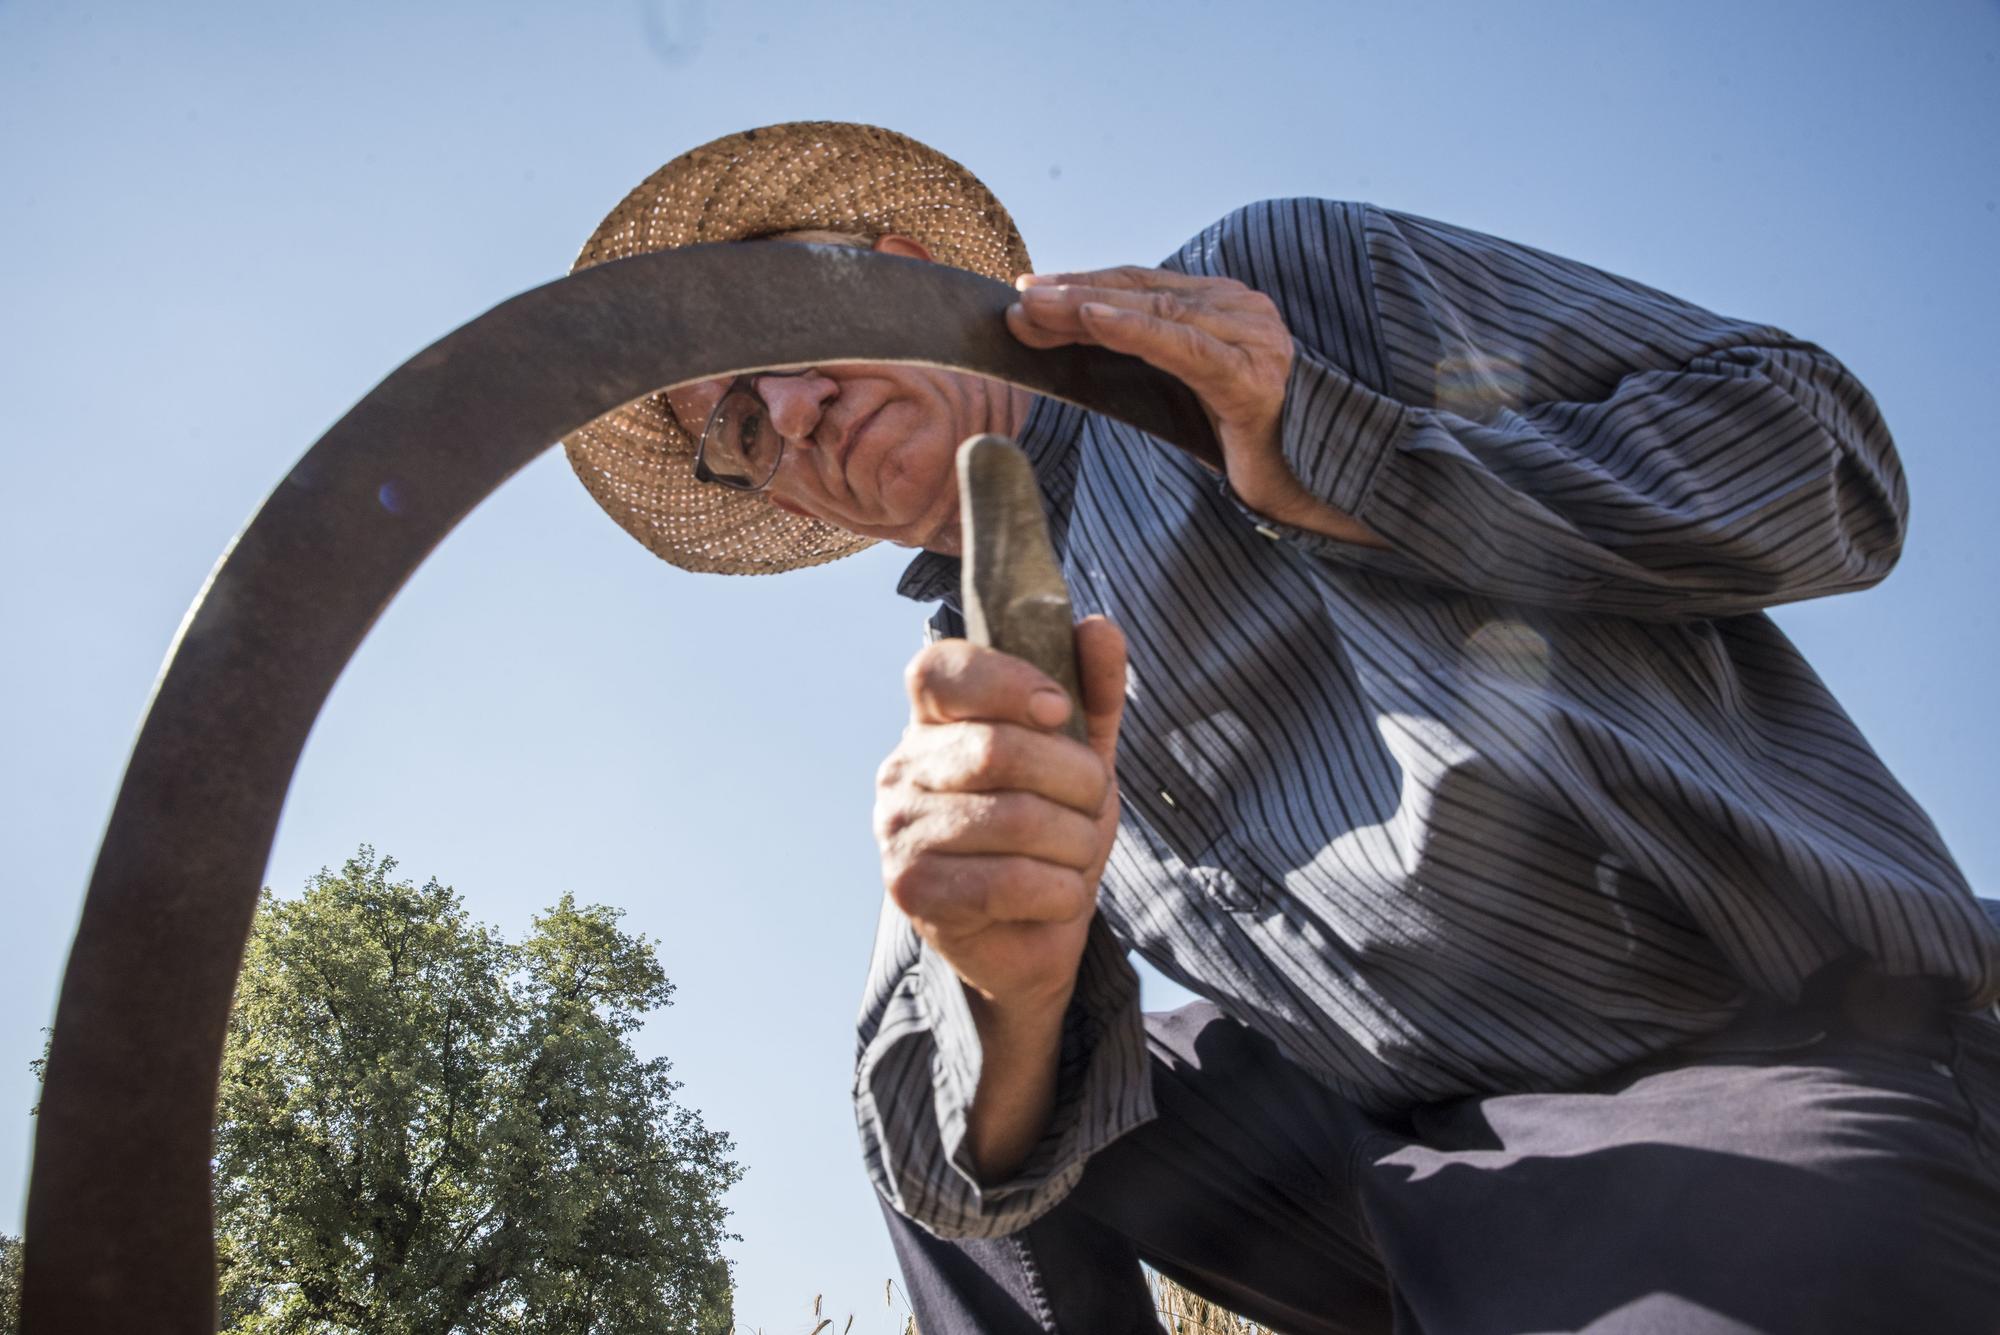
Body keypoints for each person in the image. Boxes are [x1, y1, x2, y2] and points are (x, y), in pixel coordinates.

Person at [562, 123, 2000, 1333]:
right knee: (927, 1093)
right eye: (742, 426)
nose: (798, 408)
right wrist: (1003, 986)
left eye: (795, 326)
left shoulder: (1271, 289)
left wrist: (1335, 446)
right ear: (785, 503)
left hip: (1753, 1052)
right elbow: (964, 1143)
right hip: (1391, 1157)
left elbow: (1827, 466)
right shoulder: (969, 683)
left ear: (911, 273)